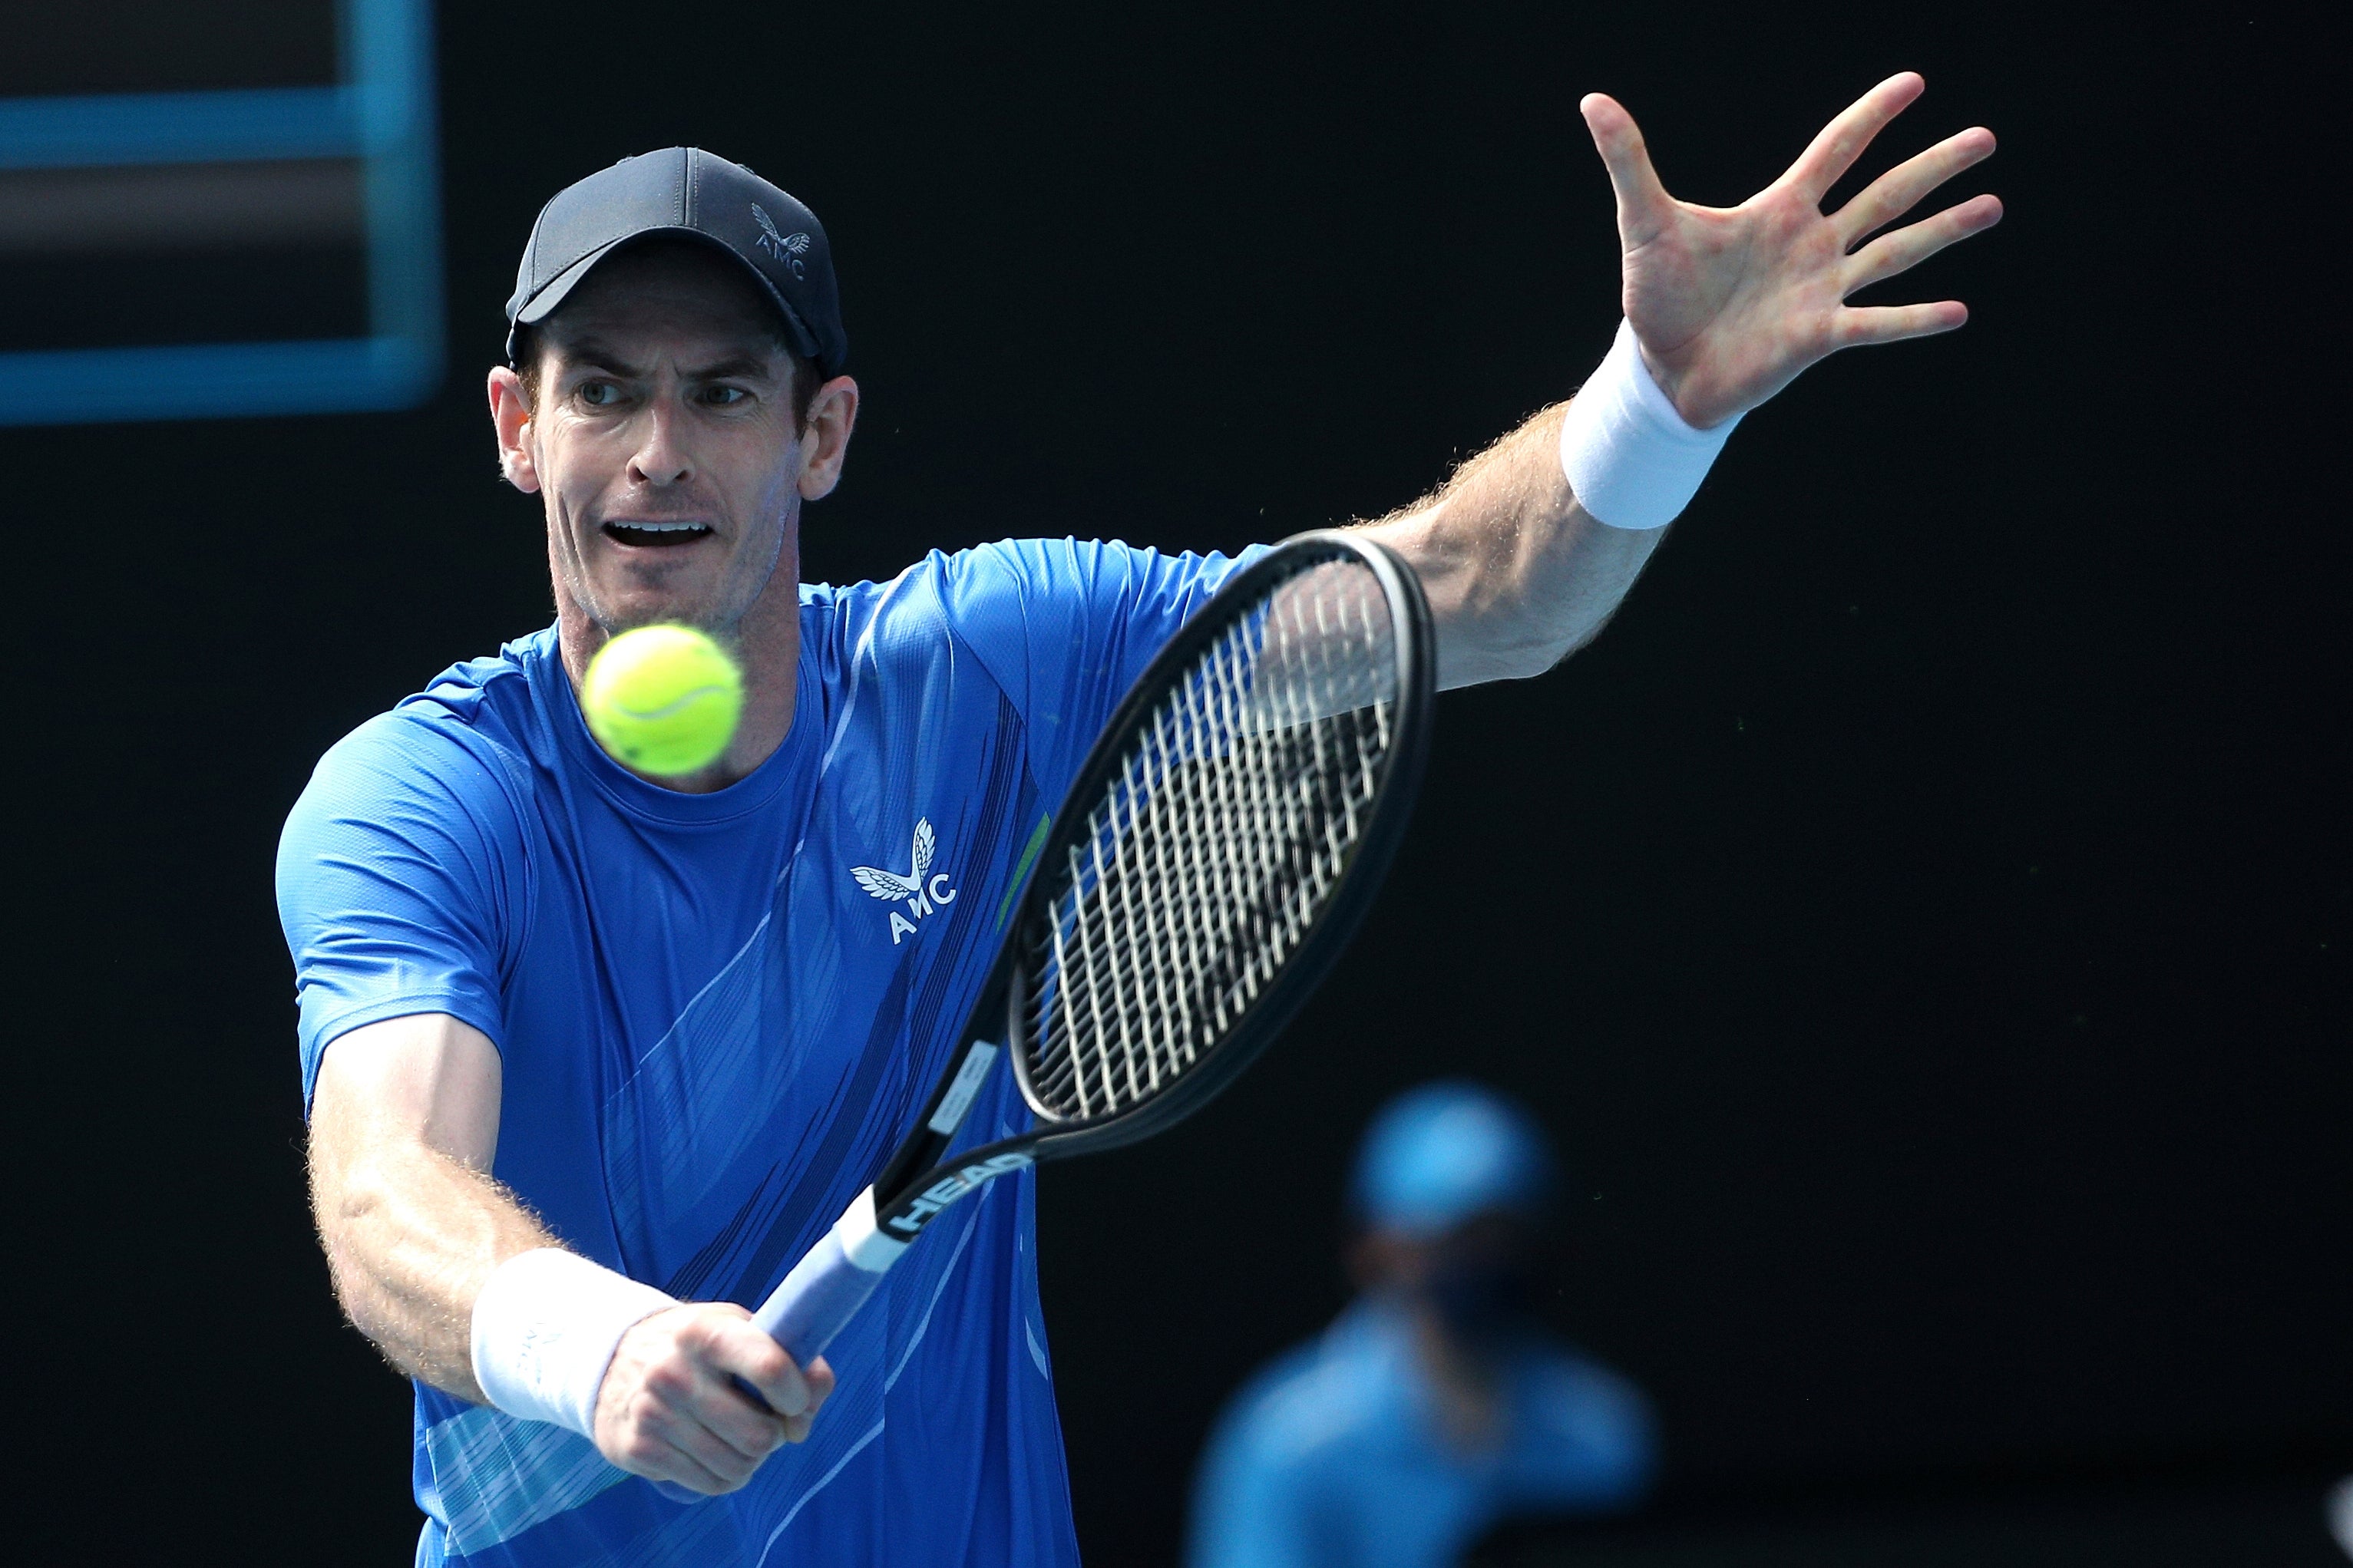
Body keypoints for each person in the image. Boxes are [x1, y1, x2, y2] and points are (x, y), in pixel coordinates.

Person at [279, 74, 1999, 1568]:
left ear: (820, 434)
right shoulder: (427, 797)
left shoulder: (990, 667)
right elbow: (383, 1194)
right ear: (519, 427)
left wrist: (1655, 396)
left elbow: (1469, 598)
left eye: (723, 392)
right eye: (602, 388)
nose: (657, 449)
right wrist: (597, 1346)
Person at [1188, 1084, 1654, 1568]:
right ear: (1377, 1250)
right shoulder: (1289, 1443)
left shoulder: (1601, 1430)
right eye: (1455, 1240)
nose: (1483, 1260)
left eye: (1504, 1236)